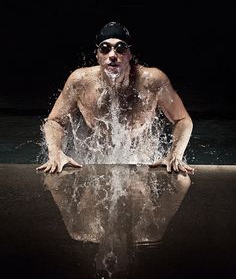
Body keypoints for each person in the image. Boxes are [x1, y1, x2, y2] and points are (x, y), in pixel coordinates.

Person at [36, 21, 194, 174]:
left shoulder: (152, 81)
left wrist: (175, 154)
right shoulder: (80, 82)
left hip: (142, 163)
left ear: (129, 54)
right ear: (97, 55)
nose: (112, 55)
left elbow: (183, 120)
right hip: (94, 162)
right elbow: (54, 122)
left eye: (120, 48)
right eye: (105, 48)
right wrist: (55, 152)